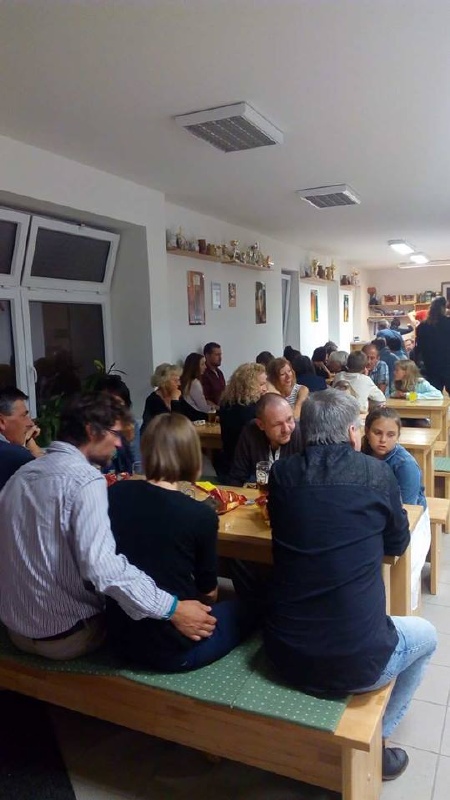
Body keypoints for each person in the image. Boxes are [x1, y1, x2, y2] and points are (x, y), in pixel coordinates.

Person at [264, 389, 437, 780]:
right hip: (357, 662)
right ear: (352, 432)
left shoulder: (282, 474)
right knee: (428, 636)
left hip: (284, 651)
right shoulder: (376, 474)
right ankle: (380, 741)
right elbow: (397, 543)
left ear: (305, 431)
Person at [0, 393, 216, 660]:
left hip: (16, 631)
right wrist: (173, 608)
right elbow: (102, 568)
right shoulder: (85, 479)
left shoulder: (22, 475)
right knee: (143, 618)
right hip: (67, 637)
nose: (119, 443)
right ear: (92, 431)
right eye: (115, 434)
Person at [107, 413, 255, 670]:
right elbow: (208, 593)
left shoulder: (115, 493)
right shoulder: (200, 515)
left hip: (117, 638)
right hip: (173, 649)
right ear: (191, 454)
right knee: (251, 606)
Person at [363, 407, 430, 610]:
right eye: (377, 433)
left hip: (411, 521)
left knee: (403, 576)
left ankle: (400, 612)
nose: (383, 440)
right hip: (373, 514)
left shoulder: (405, 465)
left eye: (391, 435)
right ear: (366, 431)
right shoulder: (360, 454)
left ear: (398, 436)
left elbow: (407, 511)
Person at [228, 393, 302, 486]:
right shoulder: (250, 432)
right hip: (257, 493)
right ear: (261, 425)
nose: (286, 429)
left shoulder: (302, 434)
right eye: (277, 424)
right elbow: (237, 477)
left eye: (289, 419)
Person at [219, 362, 268, 471]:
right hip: (248, 465)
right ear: (248, 385)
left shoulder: (226, 403)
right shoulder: (252, 410)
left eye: (265, 384)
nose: (265, 388)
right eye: (261, 384)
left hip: (228, 460)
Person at [94, 373, 138, 474]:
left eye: (117, 403)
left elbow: (137, 464)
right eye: (107, 402)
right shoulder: (92, 426)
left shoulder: (130, 424)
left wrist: (130, 441)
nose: (112, 408)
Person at [0, 386, 42, 490]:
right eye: (24, 416)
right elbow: (49, 476)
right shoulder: (16, 457)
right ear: (1, 422)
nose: (31, 423)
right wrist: (31, 444)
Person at [415, 296, 450, 392]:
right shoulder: (448, 323)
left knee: (434, 394)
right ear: (444, 307)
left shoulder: (422, 326)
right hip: (447, 363)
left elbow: (418, 348)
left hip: (430, 365)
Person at [141, 363, 182, 434]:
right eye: (175, 381)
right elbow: (174, 423)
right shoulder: (153, 400)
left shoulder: (178, 395)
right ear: (164, 382)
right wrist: (175, 400)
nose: (179, 384)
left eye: (179, 380)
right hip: (157, 437)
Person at [201, 342, 226, 407]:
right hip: (213, 410)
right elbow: (204, 399)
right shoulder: (203, 373)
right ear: (207, 356)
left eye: (220, 355)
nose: (220, 358)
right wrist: (218, 409)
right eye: (217, 355)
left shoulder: (219, 372)